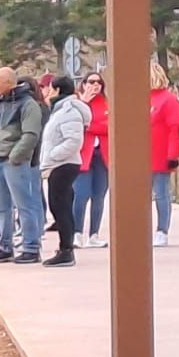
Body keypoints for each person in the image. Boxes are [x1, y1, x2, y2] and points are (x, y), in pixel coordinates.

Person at [0, 66, 46, 265]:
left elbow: (31, 134)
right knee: (1, 207)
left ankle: (31, 247)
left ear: (9, 83)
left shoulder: (28, 105)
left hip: (15, 162)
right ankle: (5, 246)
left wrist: (15, 156)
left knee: (24, 205)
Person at [39, 74, 88, 268]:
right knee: (58, 207)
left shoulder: (69, 111)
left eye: (50, 88)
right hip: (59, 163)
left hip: (64, 164)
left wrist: (52, 156)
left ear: (58, 90)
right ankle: (64, 247)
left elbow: (74, 140)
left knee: (61, 207)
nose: (48, 92)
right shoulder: (60, 110)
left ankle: (67, 250)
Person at [71, 71, 110, 248]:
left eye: (99, 82)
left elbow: (109, 126)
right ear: (84, 84)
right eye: (91, 82)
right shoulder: (77, 103)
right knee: (81, 194)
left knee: (99, 195)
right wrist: (84, 105)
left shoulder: (107, 103)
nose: (95, 85)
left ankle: (94, 234)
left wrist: (90, 126)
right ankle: (77, 232)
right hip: (83, 154)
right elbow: (75, 124)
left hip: (102, 154)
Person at [147, 65, 179, 247]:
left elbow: (175, 130)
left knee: (161, 193)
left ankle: (162, 230)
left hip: (160, 154)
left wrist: (173, 155)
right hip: (140, 155)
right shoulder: (139, 99)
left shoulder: (168, 100)